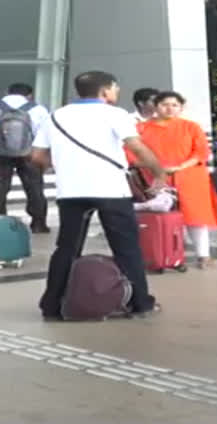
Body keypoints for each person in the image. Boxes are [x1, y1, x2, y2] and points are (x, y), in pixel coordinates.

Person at [30, 71, 164, 320]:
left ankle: (51, 305)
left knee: (66, 248)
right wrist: (159, 172)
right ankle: (140, 303)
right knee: (126, 248)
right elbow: (136, 146)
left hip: (71, 191)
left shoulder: (55, 116)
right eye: (115, 88)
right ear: (105, 91)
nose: (117, 92)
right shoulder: (115, 114)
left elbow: (37, 156)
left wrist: (65, 165)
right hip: (111, 190)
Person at [129, 91, 217, 269]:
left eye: (174, 105)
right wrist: (154, 167)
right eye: (164, 104)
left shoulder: (191, 127)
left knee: (195, 217)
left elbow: (201, 153)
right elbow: (130, 154)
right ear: (156, 106)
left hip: (191, 177)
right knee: (160, 218)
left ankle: (203, 255)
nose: (169, 108)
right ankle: (164, 255)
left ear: (181, 108)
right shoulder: (142, 129)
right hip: (154, 177)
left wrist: (179, 167)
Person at [0, 83, 50, 232]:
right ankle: (38, 224)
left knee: (1, 187)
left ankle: (1, 221)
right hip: (30, 153)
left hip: (1, 154)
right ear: (30, 95)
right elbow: (44, 133)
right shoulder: (38, 109)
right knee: (34, 188)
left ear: (7, 92)